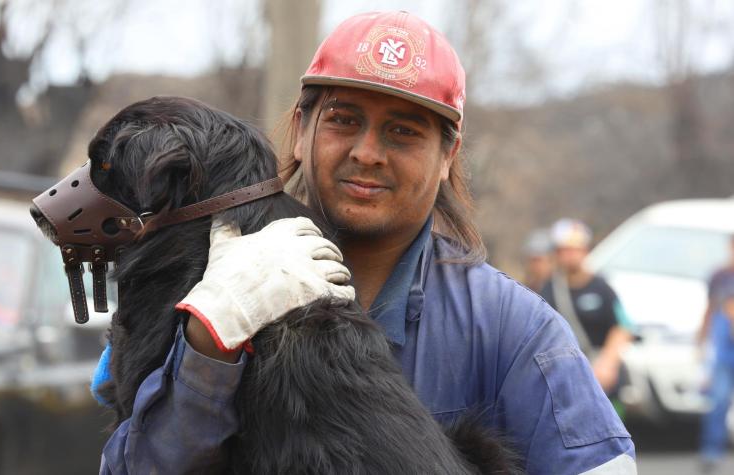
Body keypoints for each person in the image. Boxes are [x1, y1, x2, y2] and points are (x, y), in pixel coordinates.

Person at [100, 11, 635, 474]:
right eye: (342, 120)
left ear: (449, 155)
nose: (367, 152)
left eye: (403, 131)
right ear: (301, 126)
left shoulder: (511, 329)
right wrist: (208, 347)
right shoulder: (198, 278)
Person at [539, 218, 635, 404]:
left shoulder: (601, 288)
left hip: (602, 376)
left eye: (576, 249)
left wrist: (608, 363)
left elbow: (623, 327)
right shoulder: (549, 291)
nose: (571, 255)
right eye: (565, 250)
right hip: (566, 377)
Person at [696, 235, 734, 472]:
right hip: (725, 351)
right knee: (718, 400)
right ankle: (711, 451)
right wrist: (701, 339)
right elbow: (710, 308)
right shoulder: (719, 276)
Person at [522, 227, 553, 292]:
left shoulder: (561, 292)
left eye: (538, 260)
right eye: (532, 261)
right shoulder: (522, 290)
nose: (536, 266)